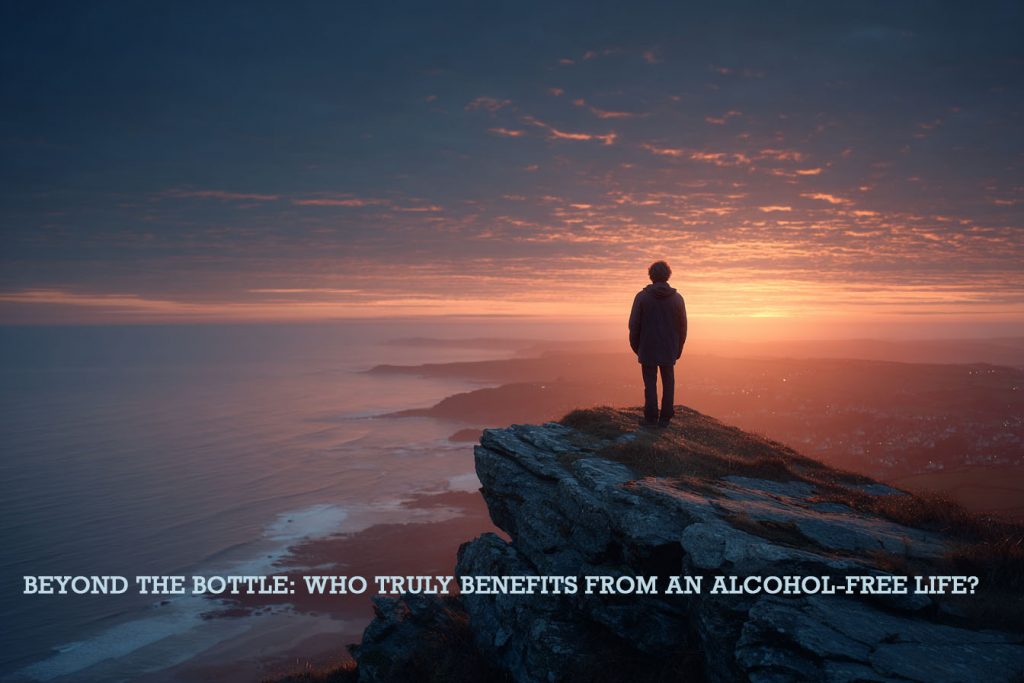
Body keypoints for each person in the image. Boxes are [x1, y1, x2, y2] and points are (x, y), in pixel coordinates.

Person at [628, 261, 687, 427]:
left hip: (647, 347)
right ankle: (666, 416)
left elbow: (633, 325)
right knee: (669, 382)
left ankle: (651, 417)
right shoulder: (677, 299)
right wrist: (678, 348)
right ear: (668, 275)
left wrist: (637, 347)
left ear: (651, 275)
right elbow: (683, 327)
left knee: (650, 383)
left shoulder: (641, 297)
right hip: (669, 348)